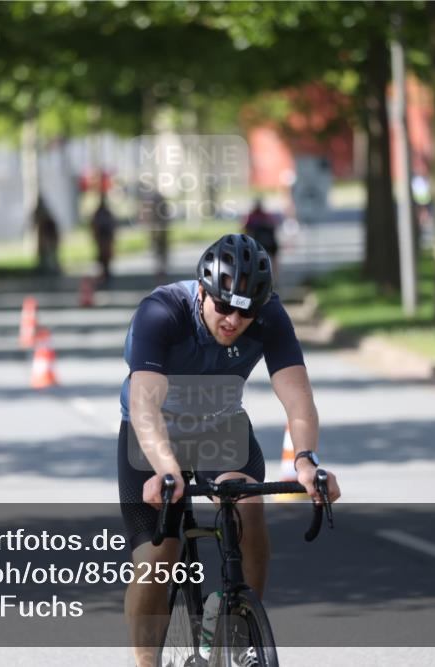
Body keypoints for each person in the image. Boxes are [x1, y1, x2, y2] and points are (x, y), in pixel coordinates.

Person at [118, 233, 341, 666]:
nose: (233, 320)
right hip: (153, 433)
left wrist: (306, 459)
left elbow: (298, 398)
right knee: (157, 555)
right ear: (202, 291)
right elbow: (145, 404)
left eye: (246, 311)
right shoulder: (161, 313)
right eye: (223, 306)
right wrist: (167, 469)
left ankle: (238, 635)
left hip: (222, 427)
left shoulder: (270, 316)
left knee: (247, 514)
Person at [243, 198, 279, 279]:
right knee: (272, 259)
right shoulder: (264, 216)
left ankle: (272, 277)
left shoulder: (253, 217)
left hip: (261, 242)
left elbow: (245, 230)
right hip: (266, 241)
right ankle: (274, 277)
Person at [91, 194, 117, 285]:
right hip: (102, 239)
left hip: (106, 238)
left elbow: (112, 226)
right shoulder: (99, 214)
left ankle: (106, 274)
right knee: (102, 257)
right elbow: (95, 226)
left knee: (106, 257)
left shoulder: (106, 213)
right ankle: (104, 275)